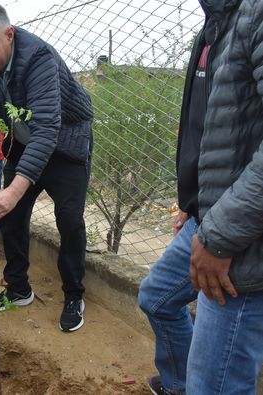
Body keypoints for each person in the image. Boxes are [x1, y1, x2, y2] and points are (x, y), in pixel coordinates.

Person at [138, 1, 263, 394]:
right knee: (157, 298)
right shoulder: (216, 26)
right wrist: (192, 201)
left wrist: (221, 235)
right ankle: (178, 385)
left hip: (242, 240)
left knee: (214, 386)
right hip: (210, 214)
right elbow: (212, 128)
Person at [0, 3, 93, 331]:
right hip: (23, 143)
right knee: (11, 216)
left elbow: (47, 128)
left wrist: (14, 191)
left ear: (9, 34)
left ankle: (74, 294)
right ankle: (19, 288)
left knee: (69, 220)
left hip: (66, 144)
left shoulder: (37, 58)